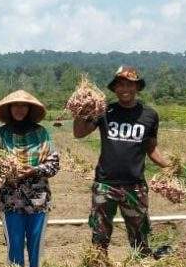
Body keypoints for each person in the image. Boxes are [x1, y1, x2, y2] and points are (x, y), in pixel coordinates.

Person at [72, 66, 169, 257]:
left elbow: (151, 148)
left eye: (130, 85)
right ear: (115, 89)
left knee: (140, 234)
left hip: (135, 186)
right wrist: (79, 111)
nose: (125, 89)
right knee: (100, 234)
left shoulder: (149, 115)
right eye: (121, 85)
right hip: (105, 185)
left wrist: (169, 165)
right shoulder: (104, 111)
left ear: (137, 88)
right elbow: (79, 133)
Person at [0, 90, 60, 267]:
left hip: (38, 199)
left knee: (36, 243)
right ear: (9, 109)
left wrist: (34, 170)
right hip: (10, 200)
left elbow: (54, 164)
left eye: (24, 106)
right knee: (14, 243)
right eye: (16, 105)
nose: (20, 109)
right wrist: (5, 169)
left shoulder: (41, 133)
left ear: (29, 109)